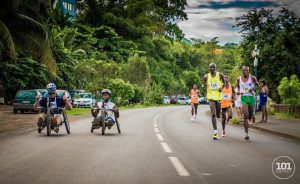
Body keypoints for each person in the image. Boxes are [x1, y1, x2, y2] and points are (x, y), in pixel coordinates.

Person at [236, 66, 259, 140]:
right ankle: (246, 134)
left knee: (250, 115)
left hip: (251, 97)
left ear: (248, 71)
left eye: (246, 70)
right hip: (244, 98)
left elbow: (257, 86)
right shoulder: (238, 79)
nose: (245, 71)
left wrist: (252, 89)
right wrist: (239, 92)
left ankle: (249, 116)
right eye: (244, 70)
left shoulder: (252, 78)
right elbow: (238, 88)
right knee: (245, 115)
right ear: (242, 71)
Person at [203, 63, 224, 140]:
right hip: (211, 96)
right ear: (209, 68)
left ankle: (218, 116)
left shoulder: (220, 75)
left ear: (216, 68)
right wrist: (205, 84)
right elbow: (204, 84)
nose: (212, 68)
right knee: (213, 113)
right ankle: (215, 133)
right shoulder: (206, 76)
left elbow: (224, 83)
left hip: (218, 96)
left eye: (213, 67)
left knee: (218, 115)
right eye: (211, 67)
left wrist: (221, 87)